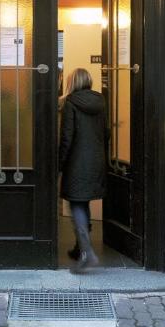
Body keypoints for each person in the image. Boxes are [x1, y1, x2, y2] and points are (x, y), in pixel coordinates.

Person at [58, 67, 108, 273]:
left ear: (73, 82)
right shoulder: (101, 102)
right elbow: (106, 133)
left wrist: (59, 164)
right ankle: (80, 248)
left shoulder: (70, 103)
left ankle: (87, 252)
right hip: (96, 160)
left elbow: (67, 137)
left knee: (76, 204)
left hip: (76, 162)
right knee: (83, 201)